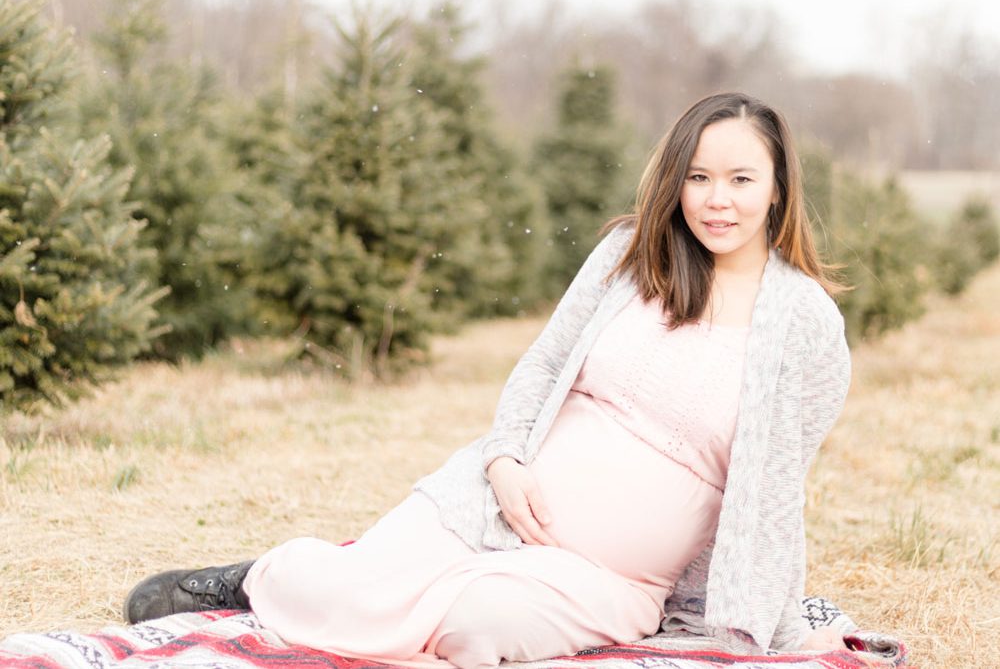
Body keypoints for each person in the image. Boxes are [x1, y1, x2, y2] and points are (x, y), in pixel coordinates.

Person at [123, 92, 853, 668]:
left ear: (779, 188)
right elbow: (542, 361)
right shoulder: (634, 255)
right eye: (697, 177)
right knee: (348, 589)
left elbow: (773, 489)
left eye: (739, 179)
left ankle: (371, 598)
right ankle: (263, 578)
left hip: (609, 576)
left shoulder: (806, 325)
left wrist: (750, 606)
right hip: (494, 503)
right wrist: (503, 458)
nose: (715, 199)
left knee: (474, 628)